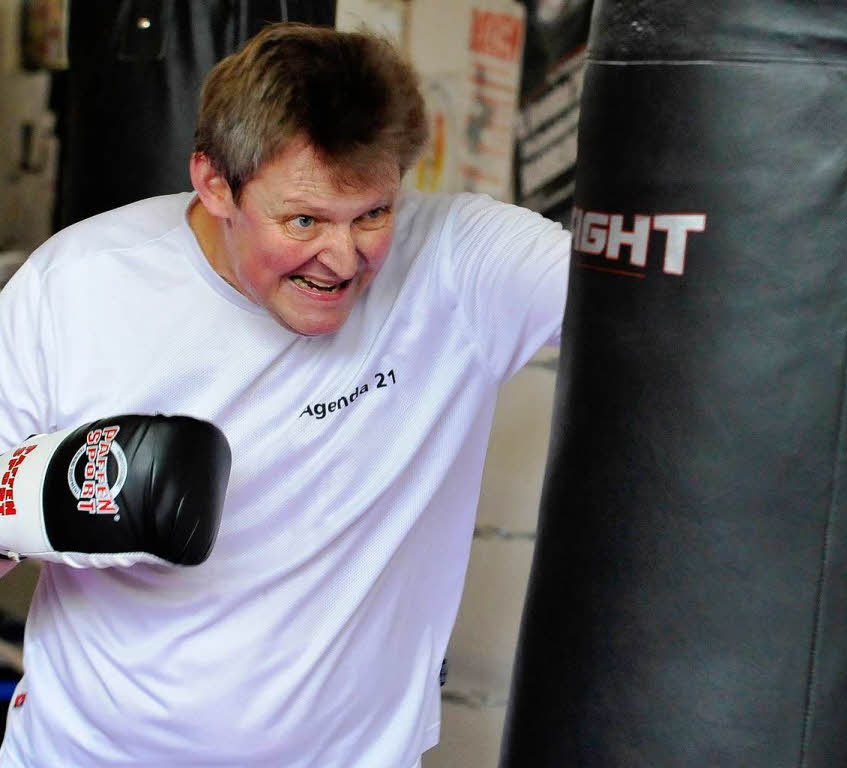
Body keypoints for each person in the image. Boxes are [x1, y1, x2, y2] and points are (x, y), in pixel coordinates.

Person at [0, 22, 568, 767]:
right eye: (304, 220)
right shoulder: (78, 284)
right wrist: (41, 498)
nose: (343, 258)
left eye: (373, 213)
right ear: (214, 182)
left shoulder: (459, 266)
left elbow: (672, 302)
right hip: (84, 755)